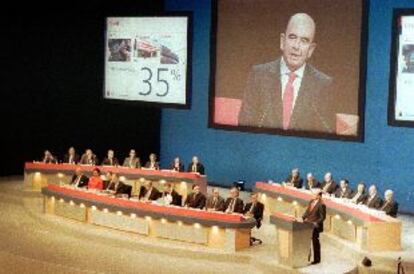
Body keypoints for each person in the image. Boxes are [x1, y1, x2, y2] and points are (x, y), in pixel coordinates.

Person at [238, 13, 335, 133]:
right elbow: (244, 125)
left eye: (304, 41)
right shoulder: (258, 75)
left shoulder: (323, 85)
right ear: (282, 41)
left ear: (311, 49)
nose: (296, 46)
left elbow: (327, 133)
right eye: (292, 37)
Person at [302, 189, 326, 265]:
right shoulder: (311, 201)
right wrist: (303, 217)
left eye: (314, 194)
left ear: (319, 196)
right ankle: (306, 257)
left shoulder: (322, 205)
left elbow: (322, 217)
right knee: (306, 241)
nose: (312, 195)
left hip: (315, 226)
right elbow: (307, 211)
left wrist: (316, 222)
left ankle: (317, 259)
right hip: (307, 223)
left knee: (315, 243)